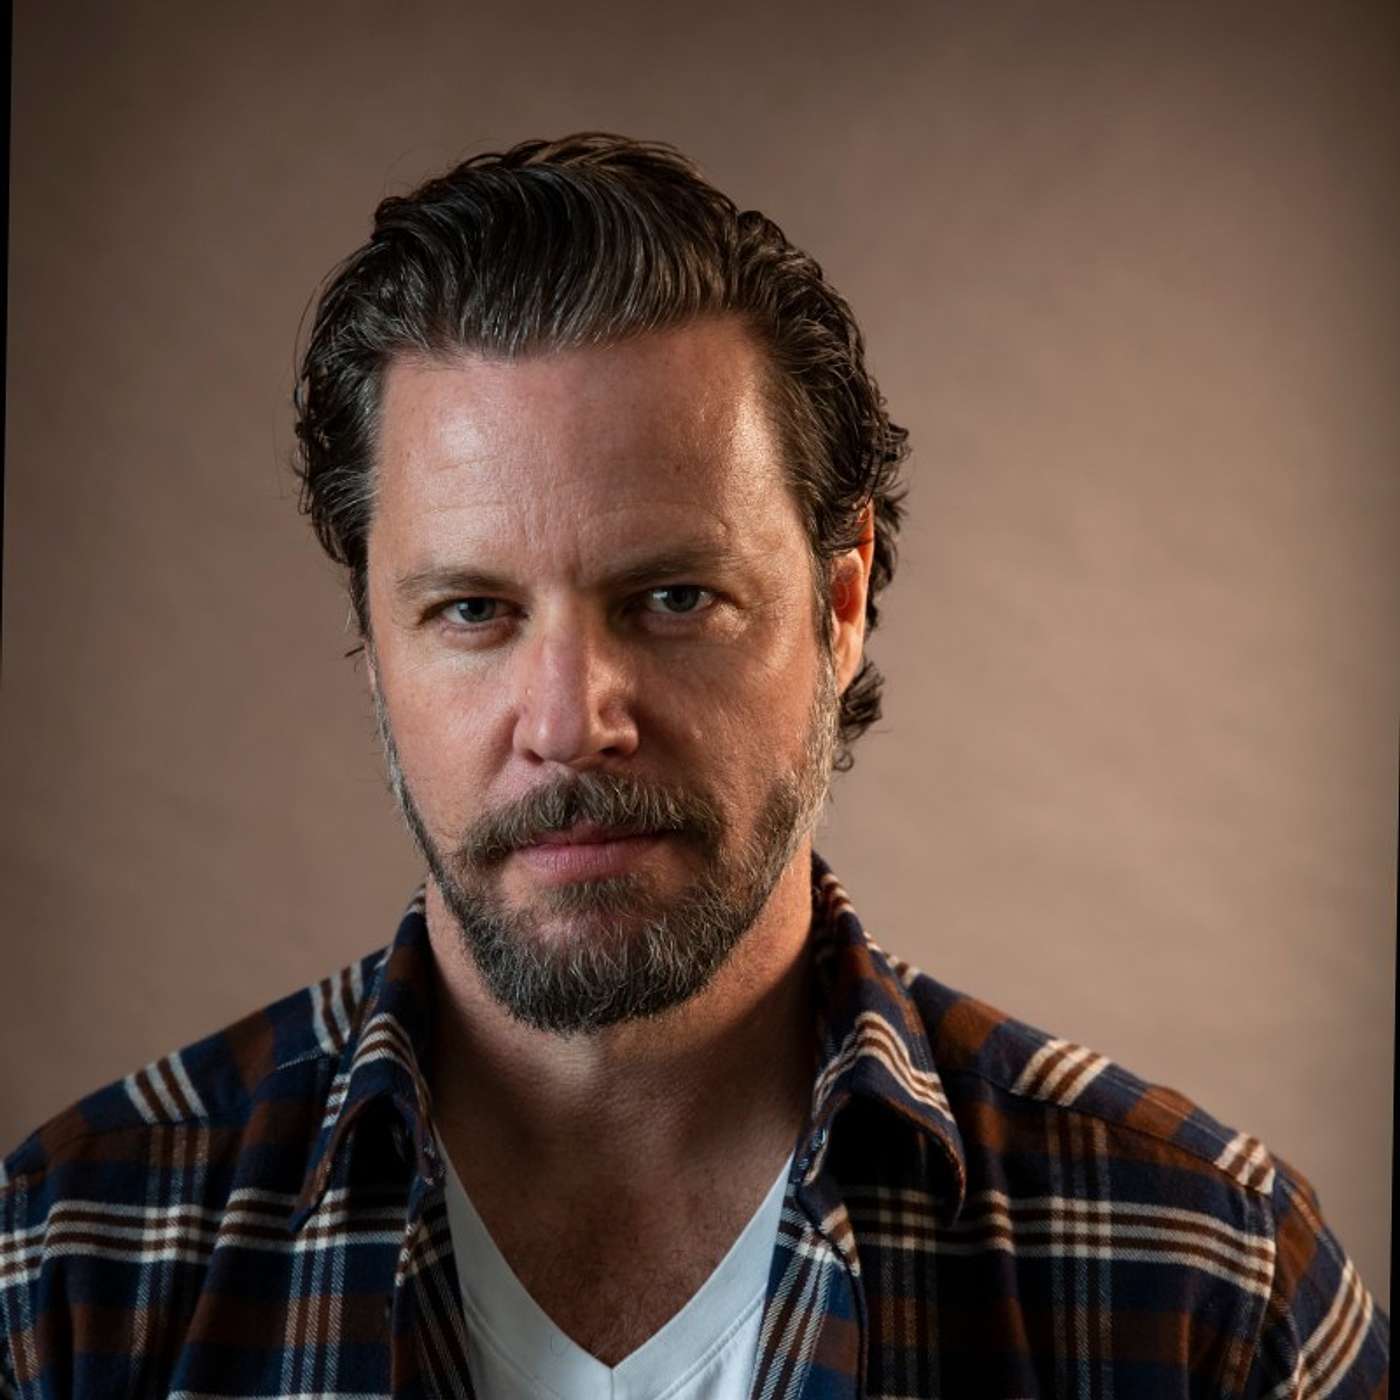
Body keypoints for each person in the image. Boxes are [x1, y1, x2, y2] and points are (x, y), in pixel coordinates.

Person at [0, 134, 1387, 1400]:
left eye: (673, 597)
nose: (569, 722)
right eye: (473, 610)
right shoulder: (67, 1267)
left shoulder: (1209, 1285)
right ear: (373, 642)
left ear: (840, 605)